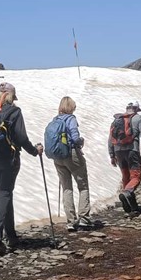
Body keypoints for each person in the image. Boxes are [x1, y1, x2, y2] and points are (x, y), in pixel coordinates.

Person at [0, 82, 43, 255]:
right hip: (9, 160)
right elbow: (21, 137)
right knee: (5, 193)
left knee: (5, 193)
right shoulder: (14, 111)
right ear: (12, 96)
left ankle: (11, 235)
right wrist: (35, 151)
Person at [50, 96, 91, 231]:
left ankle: (70, 221)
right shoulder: (71, 119)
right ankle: (84, 218)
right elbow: (74, 137)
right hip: (71, 154)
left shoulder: (55, 120)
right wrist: (81, 141)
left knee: (66, 187)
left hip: (58, 156)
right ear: (71, 107)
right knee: (82, 185)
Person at [109, 100, 141, 214]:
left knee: (126, 176)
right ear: (137, 109)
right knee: (135, 176)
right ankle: (126, 193)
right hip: (132, 151)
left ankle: (132, 207)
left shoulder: (117, 119)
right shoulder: (138, 118)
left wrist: (112, 155)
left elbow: (110, 139)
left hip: (118, 152)